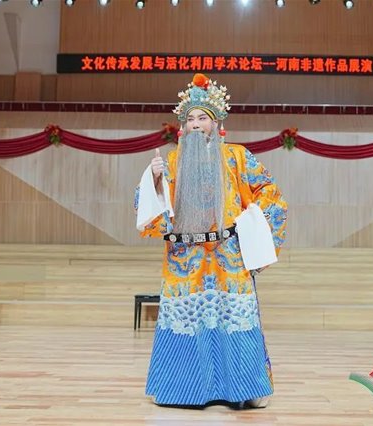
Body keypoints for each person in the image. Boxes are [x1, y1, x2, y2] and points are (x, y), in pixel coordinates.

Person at [134, 73, 287, 408]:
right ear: (182, 127)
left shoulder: (237, 157)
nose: (196, 124)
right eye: (190, 119)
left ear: (217, 124)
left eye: (203, 118)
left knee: (235, 319)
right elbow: (150, 212)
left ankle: (246, 389)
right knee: (188, 322)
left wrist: (248, 224)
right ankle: (181, 390)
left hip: (228, 256)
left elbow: (271, 195)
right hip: (186, 258)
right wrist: (155, 180)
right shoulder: (172, 162)